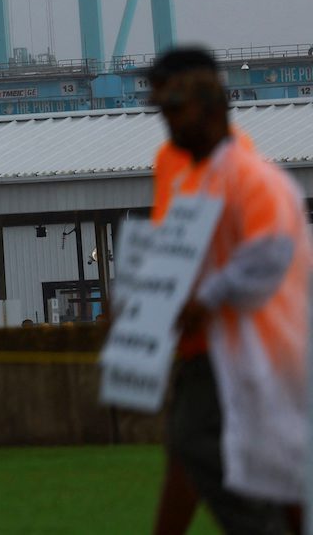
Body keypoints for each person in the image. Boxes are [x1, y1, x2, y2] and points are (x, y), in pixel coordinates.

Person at [143, 47, 311, 535]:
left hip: (254, 352)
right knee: (212, 454)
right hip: (214, 348)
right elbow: (174, 245)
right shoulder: (184, 168)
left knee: (208, 450)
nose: (168, 124)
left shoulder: (247, 174)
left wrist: (204, 298)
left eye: (175, 108)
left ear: (210, 105)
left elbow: (269, 253)